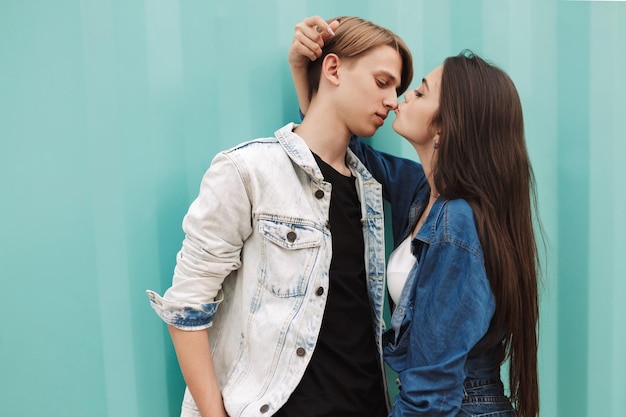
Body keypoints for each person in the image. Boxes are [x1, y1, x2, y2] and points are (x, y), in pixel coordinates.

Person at [146, 16, 414, 417]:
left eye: (398, 89)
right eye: (382, 82)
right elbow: (186, 308)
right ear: (334, 68)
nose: (393, 101)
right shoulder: (249, 171)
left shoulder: (371, 189)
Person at [290, 16, 541, 417]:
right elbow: (341, 147)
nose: (397, 100)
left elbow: (431, 390)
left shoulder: (458, 223)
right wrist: (306, 70)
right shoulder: (422, 194)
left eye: (419, 93)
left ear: (443, 127)